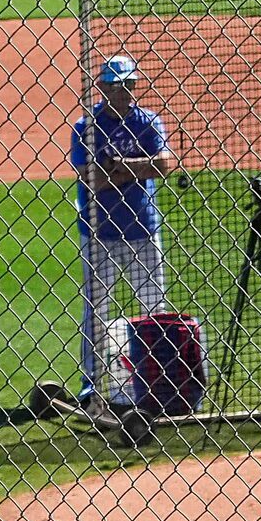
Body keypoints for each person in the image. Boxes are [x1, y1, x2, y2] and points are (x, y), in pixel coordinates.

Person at [72, 56, 175, 408]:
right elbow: (91, 179)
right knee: (96, 310)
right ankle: (91, 383)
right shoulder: (85, 126)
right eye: (118, 87)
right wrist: (134, 169)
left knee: (155, 307)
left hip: (142, 228)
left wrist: (119, 167)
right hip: (99, 231)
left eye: (130, 85)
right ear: (103, 88)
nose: (126, 93)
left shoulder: (148, 121)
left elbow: (163, 165)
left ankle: (159, 379)